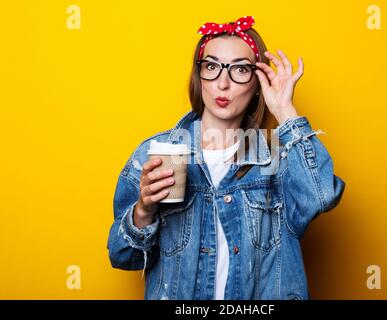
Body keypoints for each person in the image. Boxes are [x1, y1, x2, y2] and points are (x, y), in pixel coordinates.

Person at [107, 15, 346, 300]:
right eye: (211, 67)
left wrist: (285, 111)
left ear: (258, 82)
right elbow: (122, 257)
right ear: (199, 76)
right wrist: (143, 212)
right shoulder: (154, 153)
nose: (223, 83)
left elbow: (321, 196)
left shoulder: (280, 159)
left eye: (240, 70)